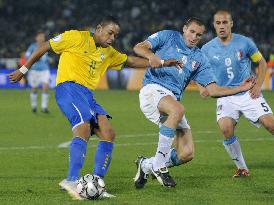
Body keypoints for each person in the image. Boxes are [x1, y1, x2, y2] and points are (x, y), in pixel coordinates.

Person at [8, 16, 180, 200]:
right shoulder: (75, 37)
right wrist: (23, 70)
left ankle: (96, 183)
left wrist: (161, 62)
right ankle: (71, 180)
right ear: (99, 29)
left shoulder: (109, 52)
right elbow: (45, 47)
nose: (112, 38)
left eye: (115, 35)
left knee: (108, 133)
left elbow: (129, 61)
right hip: (69, 87)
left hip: (88, 95)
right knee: (82, 127)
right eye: (110, 33)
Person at [133, 17, 255, 189]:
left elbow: (213, 90)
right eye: (191, 32)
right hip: (152, 89)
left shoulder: (199, 58)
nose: (194, 37)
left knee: (187, 153)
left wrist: (240, 87)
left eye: (198, 35)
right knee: (178, 110)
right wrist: (151, 56)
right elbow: (139, 47)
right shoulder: (168, 36)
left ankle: (146, 165)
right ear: (184, 29)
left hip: (171, 99)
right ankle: (159, 165)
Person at [201, 10, 274, 178]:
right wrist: (202, 87)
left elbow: (261, 63)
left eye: (225, 22)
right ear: (214, 25)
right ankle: (242, 168)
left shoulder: (245, 42)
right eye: (218, 23)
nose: (221, 26)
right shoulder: (207, 49)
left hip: (248, 92)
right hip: (225, 95)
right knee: (226, 128)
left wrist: (259, 85)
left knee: (271, 125)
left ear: (231, 24)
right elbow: (198, 69)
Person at [25, 31, 51, 113]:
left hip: (45, 70)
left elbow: (47, 57)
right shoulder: (32, 46)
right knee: (34, 88)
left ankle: (44, 107)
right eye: (39, 36)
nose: (41, 38)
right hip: (34, 71)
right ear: (36, 38)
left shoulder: (46, 45)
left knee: (46, 87)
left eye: (42, 37)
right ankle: (34, 106)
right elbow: (27, 56)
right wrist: (35, 58)